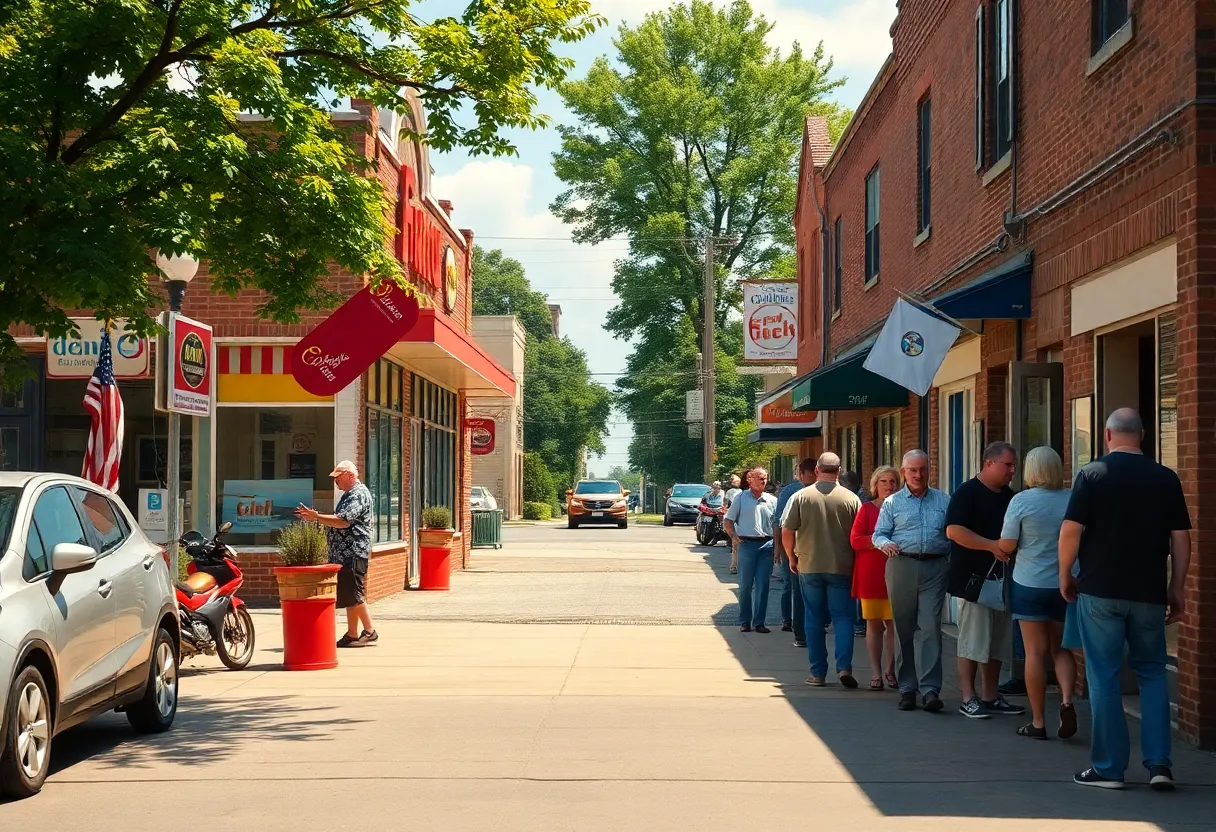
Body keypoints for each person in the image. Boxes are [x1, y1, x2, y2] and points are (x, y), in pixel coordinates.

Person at [1060, 408, 1191, 791]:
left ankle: (1109, 768)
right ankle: (1159, 765)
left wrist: (1064, 574)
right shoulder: (1166, 478)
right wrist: (1177, 586)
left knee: (1103, 676)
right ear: (1143, 435)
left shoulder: (1092, 474)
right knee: (1152, 673)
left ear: (1107, 435)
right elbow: (1181, 538)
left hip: (1100, 590)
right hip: (1148, 591)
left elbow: (1070, 530)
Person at [998, 446, 1078, 741]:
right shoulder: (1073, 499)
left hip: (1029, 583)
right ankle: (1067, 702)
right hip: (1065, 583)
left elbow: (1007, 544)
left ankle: (1039, 721)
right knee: (1061, 649)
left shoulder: (1021, 501)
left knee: (1034, 652)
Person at [945, 442, 1025, 720]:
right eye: (1007, 465)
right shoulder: (967, 492)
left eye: (1014, 465)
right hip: (974, 581)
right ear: (989, 463)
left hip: (1003, 580)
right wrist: (991, 546)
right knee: (973, 641)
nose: (1012, 471)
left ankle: (991, 696)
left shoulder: (1011, 497)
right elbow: (954, 530)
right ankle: (968, 697)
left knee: (997, 643)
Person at [872, 449, 951, 713]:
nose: (918, 475)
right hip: (901, 565)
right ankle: (907, 687)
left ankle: (930, 689)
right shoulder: (892, 502)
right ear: (903, 472)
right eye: (913, 470)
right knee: (903, 628)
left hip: (935, 567)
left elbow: (952, 533)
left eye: (922, 469)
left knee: (930, 628)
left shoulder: (943, 500)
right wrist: (885, 543)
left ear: (929, 470)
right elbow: (878, 533)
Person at [781, 453, 861, 688]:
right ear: (839, 471)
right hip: (842, 566)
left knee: (814, 618)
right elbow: (859, 533)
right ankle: (844, 667)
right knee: (843, 618)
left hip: (809, 565)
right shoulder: (851, 498)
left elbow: (787, 530)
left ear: (817, 470)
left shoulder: (800, 497)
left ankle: (817, 673)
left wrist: (791, 556)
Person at [295, 460, 378, 647]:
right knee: (350, 594)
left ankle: (369, 631)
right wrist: (316, 518)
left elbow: (343, 521)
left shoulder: (358, 494)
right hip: (345, 554)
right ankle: (352, 633)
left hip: (353, 552)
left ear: (350, 475)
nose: (336, 482)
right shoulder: (349, 495)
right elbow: (338, 520)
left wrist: (317, 516)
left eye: (338, 478)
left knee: (354, 593)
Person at [851, 465, 901, 691]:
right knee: (873, 623)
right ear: (875, 485)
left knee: (894, 625)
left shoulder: (903, 508)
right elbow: (855, 540)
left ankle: (890, 670)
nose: (889, 486)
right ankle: (875, 673)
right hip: (871, 573)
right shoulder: (867, 509)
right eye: (884, 481)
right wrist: (880, 540)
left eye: (893, 481)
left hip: (897, 572)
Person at [724, 468, 778, 633]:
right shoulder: (741, 498)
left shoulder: (772, 500)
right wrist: (734, 537)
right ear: (750, 480)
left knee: (763, 585)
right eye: (760, 478)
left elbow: (778, 525)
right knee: (745, 586)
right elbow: (728, 520)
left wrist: (778, 548)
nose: (763, 481)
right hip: (747, 545)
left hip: (767, 546)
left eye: (765, 478)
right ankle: (745, 621)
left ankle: (759, 622)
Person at [776, 461, 816, 646]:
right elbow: (781, 524)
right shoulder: (792, 492)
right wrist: (784, 551)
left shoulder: (793, 494)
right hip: (799, 550)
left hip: (799, 550)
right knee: (797, 590)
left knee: (798, 590)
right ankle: (797, 626)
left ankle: (802, 631)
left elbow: (780, 523)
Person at [839, 470, 868, 636]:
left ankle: (860, 622)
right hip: (854, 547)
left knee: (858, 586)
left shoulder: (860, 500)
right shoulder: (858, 497)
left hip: (859, 548)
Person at [724, 473, 743, 574]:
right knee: (735, 545)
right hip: (734, 519)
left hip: (738, 520)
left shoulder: (742, 493)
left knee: (736, 545)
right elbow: (725, 504)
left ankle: (735, 566)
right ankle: (734, 565)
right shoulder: (733, 492)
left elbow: (725, 504)